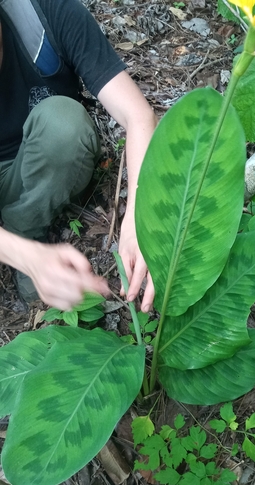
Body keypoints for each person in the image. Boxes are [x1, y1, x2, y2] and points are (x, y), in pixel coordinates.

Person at [0, 0, 157, 312]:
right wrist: (26, 256)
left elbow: (138, 115)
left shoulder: (45, 13)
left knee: (63, 123)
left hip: (43, 152)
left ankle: (26, 226)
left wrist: (141, 219)